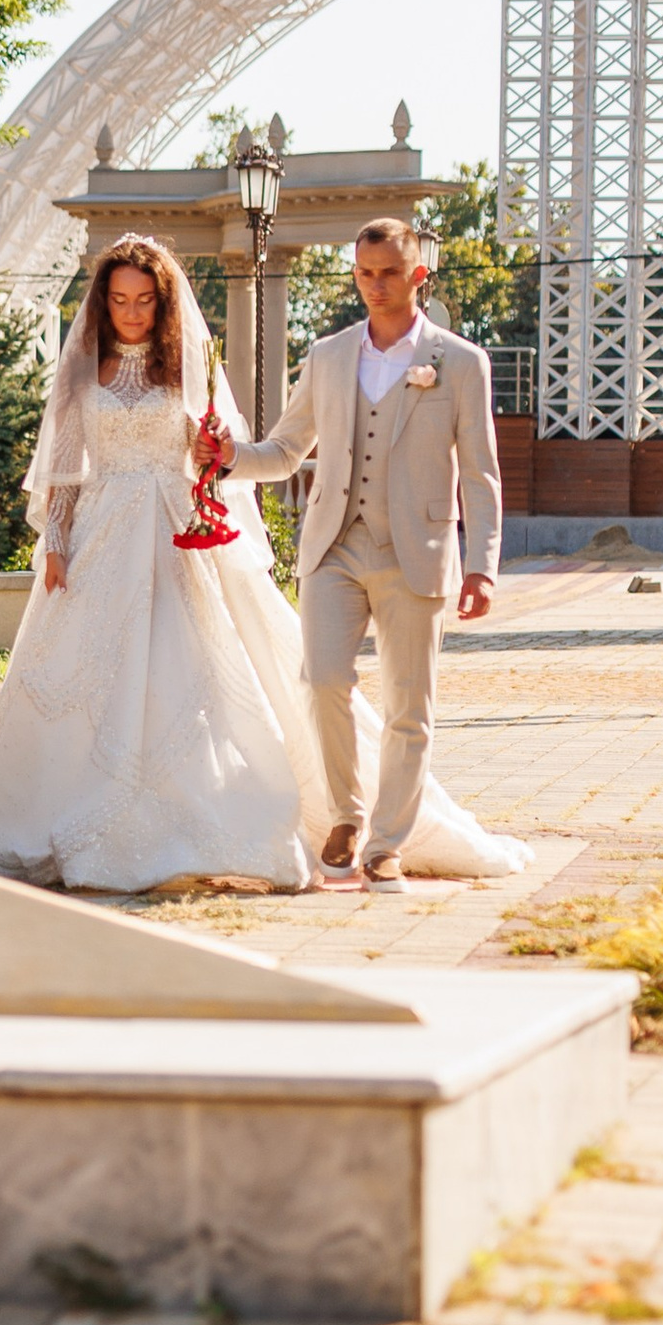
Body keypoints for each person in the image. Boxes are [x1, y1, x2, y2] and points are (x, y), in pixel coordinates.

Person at [0, 234, 524, 896]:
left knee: (200, 674)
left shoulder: (188, 359)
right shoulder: (82, 364)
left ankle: (326, 824)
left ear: (162, 303)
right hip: (100, 536)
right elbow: (63, 465)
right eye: (118, 301)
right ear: (103, 303)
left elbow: (225, 451)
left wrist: (213, 454)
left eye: (143, 301)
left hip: (176, 530)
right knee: (81, 677)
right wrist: (55, 537)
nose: (131, 314)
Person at [230, 212, 500, 891]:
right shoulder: (326, 356)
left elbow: (481, 472)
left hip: (420, 550)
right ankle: (347, 816)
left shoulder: (461, 363)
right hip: (335, 547)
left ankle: (386, 844)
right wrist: (225, 458)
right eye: (364, 274)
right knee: (323, 679)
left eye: (388, 274)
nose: (375, 286)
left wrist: (482, 566)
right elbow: (286, 450)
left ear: (419, 275)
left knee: (411, 707)